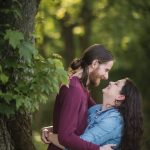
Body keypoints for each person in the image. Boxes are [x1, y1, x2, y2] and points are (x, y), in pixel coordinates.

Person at [41, 44, 115, 150]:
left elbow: (77, 123)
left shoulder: (81, 88)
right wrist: (99, 149)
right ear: (95, 63)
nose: (106, 76)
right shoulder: (74, 88)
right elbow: (65, 137)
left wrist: (50, 129)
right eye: (106, 70)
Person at [46, 78, 143, 150]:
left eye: (116, 84)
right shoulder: (96, 109)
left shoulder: (113, 121)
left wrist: (49, 136)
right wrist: (51, 128)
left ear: (120, 96)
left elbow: (74, 146)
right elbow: (74, 128)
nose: (111, 82)